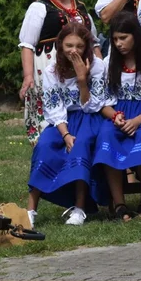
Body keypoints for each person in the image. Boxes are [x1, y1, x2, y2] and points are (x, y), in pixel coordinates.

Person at [26, 22, 107, 227]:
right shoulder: (53, 70)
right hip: (61, 120)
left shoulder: (97, 66)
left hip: (88, 116)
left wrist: (82, 80)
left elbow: (94, 105)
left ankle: (79, 208)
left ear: (86, 46)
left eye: (79, 46)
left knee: (80, 146)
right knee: (44, 145)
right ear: (60, 45)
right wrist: (64, 134)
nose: (74, 51)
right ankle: (30, 210)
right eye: (69, 45)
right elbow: (53, 106)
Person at [18, 0, 102, 143]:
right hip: (49, 68)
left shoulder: (80, 7)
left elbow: (94, 42)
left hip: (82, 69)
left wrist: (101, 69)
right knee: (50, 112)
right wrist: (28, 76)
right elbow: (27, 44)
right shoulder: (39, 7)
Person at [94, 11, 141, 221]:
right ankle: (119, 202)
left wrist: (138, 121)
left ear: (136, 36)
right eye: (115, 39)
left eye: (123, 38)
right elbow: (102, 102)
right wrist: (116, 117)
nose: (119, 44)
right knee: (106, 136)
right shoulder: (108, 62)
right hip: (118, 114)